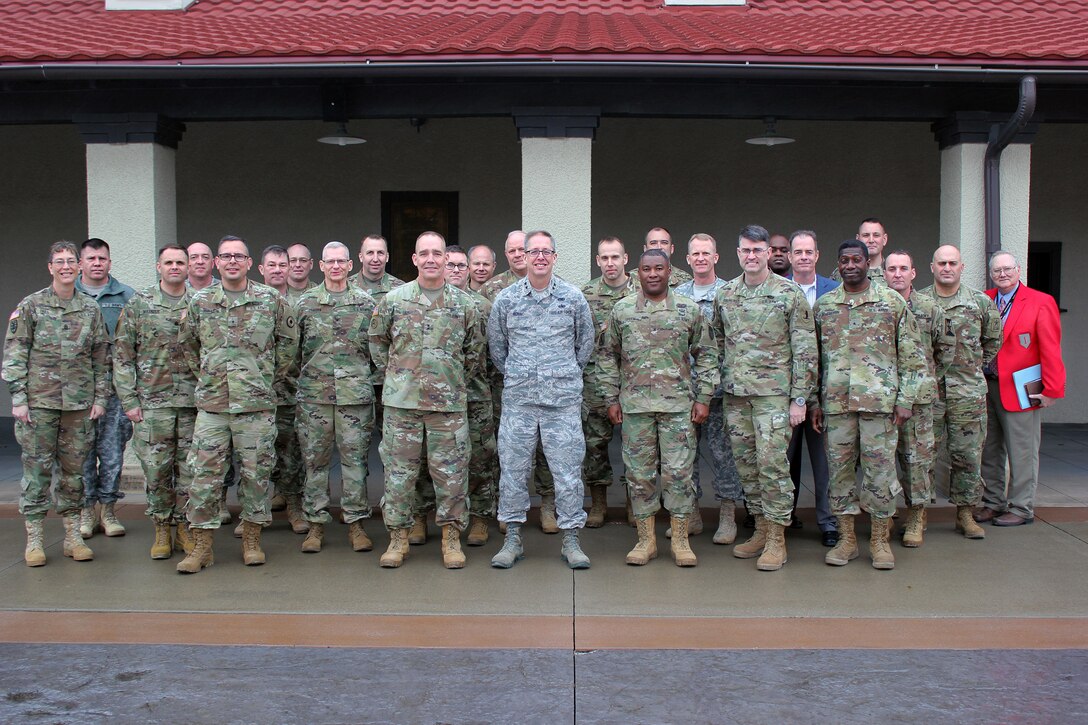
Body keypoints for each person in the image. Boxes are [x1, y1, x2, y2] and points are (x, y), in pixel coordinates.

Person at [175, 235, 298, 574]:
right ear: (216, 263)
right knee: (203, 477)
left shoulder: (270, 300)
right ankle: (202, 546)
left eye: (238, 256)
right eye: (225, 256)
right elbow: (188, 346)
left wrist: (263, 379)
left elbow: (288, 346)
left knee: (256, 475)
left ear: (248, 263)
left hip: (255, 407)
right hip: (213, 407)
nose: (231, 261)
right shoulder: (200, 302)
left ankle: (252, 540)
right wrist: (209, 377)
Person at [369, 232, 487, 569]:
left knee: (451, 476)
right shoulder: (394, 300)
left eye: (438, 253)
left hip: (447, 406)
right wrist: (398, 375)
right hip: (402, 405)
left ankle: (451, 538)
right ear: (415, 259)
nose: (432, 259)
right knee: (398, 476)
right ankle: (398, 538)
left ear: (446, 261)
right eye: (426, 253)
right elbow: (377, 342)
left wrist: (448, 378)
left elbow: (474, 352)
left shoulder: (464, 305)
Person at [811, 241, 924, 570]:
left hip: (880, 407)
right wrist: (816, 401)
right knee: (840, 475)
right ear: (838, 264)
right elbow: (814, 360)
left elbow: (913, 359)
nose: (850, 265)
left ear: (867, 263)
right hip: (837, 407)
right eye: (844, 260)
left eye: (856, 259)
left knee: (880, 474)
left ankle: (878, 540)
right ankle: (847, 540)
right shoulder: (825, 306)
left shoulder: (891, 303)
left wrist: (905, 400)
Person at [602, 249, 718, 566]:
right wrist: (611, 398)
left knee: (679, 474)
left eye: (659, 268)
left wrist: (704, 397)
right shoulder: (622, 311)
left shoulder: (688, 310)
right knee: (639, 475)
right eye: (646, 269)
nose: (652, 274)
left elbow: (707, 354)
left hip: (678, 408)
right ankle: (646, 541)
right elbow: (607, 357)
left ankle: (680, 540)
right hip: (635, 409)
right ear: (637, 272)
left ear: (669, 272)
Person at [711, 225, 817, 571]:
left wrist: (800, 399)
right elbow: (716, 343)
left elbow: (805, 350)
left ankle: (776, 540)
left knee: (772, 467)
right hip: (737, 397)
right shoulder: (725, 294)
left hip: (774, 397)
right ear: (738, 253)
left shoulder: (789, 294)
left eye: (758, 250)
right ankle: (759, 528)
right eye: (746, 250)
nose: (752, 256)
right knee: (747, 467)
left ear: (769, 253)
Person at [489, 230, 595, 570]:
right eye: (532, 251)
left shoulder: (573, 297)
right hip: (519, 402)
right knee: (513, 472)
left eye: (545, 252)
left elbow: (585, 346)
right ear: (523, 256)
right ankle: (513, 539)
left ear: (554, 257)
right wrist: (523, 374)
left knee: (567, 474)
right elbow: (497, 349)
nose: (538, 257)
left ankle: (571, 541)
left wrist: (560, 374)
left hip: (561, 403)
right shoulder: (507, 299)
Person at [3, 241, 109, 566]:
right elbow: (15, 354)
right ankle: (34, 538)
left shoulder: (90, 309)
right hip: (39, 405)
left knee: (74, 474)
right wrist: (19, 399)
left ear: (79, 268)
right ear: (50, 267)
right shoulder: (31, 306)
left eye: (71, 261)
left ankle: (72, 535)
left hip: (78, 405)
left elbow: (101, 356)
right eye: (59, 261)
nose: (66, 266)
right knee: (36, 472)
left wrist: (101, 398)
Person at [112, 244, 199, 560]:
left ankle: (186, 531)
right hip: (153, 404)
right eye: (169, 262)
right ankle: (162, 529)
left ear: (189, 268)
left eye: (180, 262)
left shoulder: (200, 304)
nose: (175, 267)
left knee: (190, 473)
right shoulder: (139, 304)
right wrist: (129, 400)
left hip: (192, 403)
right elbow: (122, 356)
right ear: (158, 267)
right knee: (157, 472)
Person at [411, 246, 499, 546]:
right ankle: (420, 518)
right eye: (452, 265)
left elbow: (491, 354)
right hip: (430, 400)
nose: (458, 270)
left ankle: (479, 519)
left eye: (463, 266)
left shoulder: (483, 306)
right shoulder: (422, 303)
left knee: (479, 459)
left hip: (474, 397)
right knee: (425, 459)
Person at [294, 242, 378, 553]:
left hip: (354, 398)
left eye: (341, 261)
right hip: (314, 399)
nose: (336, 266)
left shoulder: (365, 304)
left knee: (354, 463)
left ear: (349, 264)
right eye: (330, 261)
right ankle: (315, 526)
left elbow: (377, 350)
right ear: (321, 265)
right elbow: (292, 352)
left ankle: (355, 523)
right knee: (315, 463)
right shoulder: (305, 304)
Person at [977, 251, 1066, 526]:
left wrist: (1052, 389)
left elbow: (1051, 348)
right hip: (987, 385)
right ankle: (993, 502)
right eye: (997, 270)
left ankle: (1021, 507)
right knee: (990, 449)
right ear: (991, 274)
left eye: (1007, 269)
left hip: (1021, 386)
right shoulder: (985, 299)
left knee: (1022, 450)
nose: (1002, 274)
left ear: (1018, 270)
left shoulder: (1040, 302)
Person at [919, 245, 1001, 539]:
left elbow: (992, 340)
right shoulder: (919, 302)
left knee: (967, 455)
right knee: (923, 455)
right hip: (929, 395)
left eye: (953, 262)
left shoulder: (979, 302)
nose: (947, 267)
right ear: (932, 266)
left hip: (968, 393)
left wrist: (971, 369)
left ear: (961, 267)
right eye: (942, 262)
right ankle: (919, 514)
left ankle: (965, 513)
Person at [480, 230, 556, 531]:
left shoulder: (558, 290)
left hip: (551, 388)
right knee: (511, 452)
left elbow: (581, 344)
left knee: (547, 452)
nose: (517, 255)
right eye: (513, 251)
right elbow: (494, 343)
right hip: (509, 388)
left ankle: (548, 507)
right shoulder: (494, 290)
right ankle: (510, 508)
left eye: (519, 249)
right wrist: (514, 370)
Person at [676, 233, 743, 544]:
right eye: (695, 254)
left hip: (719, 393)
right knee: (684, 456)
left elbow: (736, 343)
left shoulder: (730, 294)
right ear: (687, 259)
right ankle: (691, 514)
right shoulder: (677, 296)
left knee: (723, 455)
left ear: (716, 257)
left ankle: (727, 514)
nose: (701, 258)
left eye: (706, 253)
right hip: (685, 392)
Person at [884, 250, 954, 547]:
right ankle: (884, 514)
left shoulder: (930, 307)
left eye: (903, 268)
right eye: (891, 269)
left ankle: (916, 516)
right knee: (882, 460)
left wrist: (927, 379)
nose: (897, 274)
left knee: (916, 460)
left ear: (914, 273)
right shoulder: (876, 305)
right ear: (883, 273)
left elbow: (946, 348)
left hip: (918, 401)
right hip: (883, 397)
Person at [75, 238, 136, 539]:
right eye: (91, 258)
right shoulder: (67, 295)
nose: (97, 263)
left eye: (102, 258)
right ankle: (87, 511)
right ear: (80, 263)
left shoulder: (126, 296)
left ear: (110, 262)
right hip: (78, 392)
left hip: (116, 390)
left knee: (112, 454)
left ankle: (108, 510)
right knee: (83, 452)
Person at [784, 230, 840, 546]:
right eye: (798, 252)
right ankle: (784, 516)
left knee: (825, 463)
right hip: (788, 390)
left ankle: (828, 522)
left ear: (817, 256)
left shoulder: (834, 291)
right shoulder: (778, 291)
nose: (804, 256)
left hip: (827, 391)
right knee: (785, 458)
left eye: (809, 251)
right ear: (790, 257)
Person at [580, 236, 639, 528]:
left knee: (636, 444)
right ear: (598, 260)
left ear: (625, 259)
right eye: (604, 258)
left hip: (634, 381)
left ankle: (633, 502)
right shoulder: (586, 294)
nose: (610, 263)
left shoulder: (642, 291)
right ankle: (599, 503)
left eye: (615, 257)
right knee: (595, 444)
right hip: (595, 381)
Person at [256, 245, 307, 533]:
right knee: (255, 455)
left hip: (290, 392)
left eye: (282, 265)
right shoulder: (251, 302)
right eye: (271, 265)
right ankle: (256, 511)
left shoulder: (301, 304)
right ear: (261, 269)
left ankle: (293, 505)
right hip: (255, 395)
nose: (277, 270)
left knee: (290, 454)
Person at [831, 218, 889, 286]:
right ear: (858, 239)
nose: (871, 240)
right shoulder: (842, 272)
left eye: (876, 235)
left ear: (884, 239)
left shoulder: (893, 271)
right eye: (866, 235)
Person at [351, 234, 405, 301]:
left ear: (387, 257)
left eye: (380, 253)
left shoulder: (401, 289)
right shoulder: (346, 286)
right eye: (370, 253)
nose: (375, 259)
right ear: (361, 257)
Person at [479, 230, 528, 301]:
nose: (517, 255)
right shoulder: (489, 287)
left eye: (521, 249)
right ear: (506, 254)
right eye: (512, 251)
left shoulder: (545, 283)